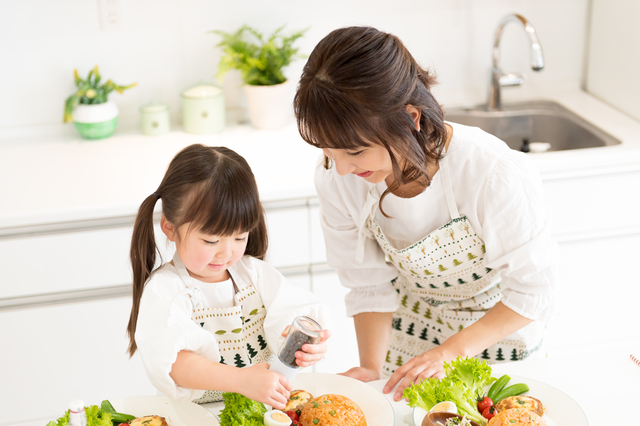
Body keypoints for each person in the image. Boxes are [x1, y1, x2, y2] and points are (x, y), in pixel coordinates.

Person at [294, 27, 560, 402]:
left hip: (499, 341)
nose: (339, 169)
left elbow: (534, 291)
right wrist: (371, 367)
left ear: (409, 118)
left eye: (354, 152)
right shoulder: (340, 177)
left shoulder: (491, 172)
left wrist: (450, 352)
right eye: (328, 152)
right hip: (410, 340)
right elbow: (369, 284)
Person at [126, 144, 332, 408]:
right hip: (196, 417)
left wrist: (309, 348)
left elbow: (294, 317)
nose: (226, 252)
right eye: (211, 240)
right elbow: (173, 361)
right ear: (170, 227)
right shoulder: (166, 290)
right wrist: (240, 380)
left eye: (239, 237)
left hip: (257, 410)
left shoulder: (254, 274)